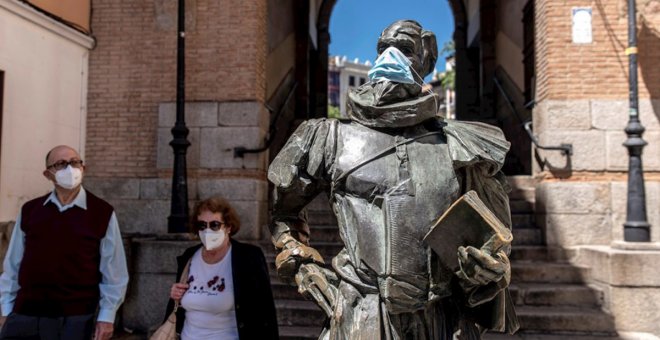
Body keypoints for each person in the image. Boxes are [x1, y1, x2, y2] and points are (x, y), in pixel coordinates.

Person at [268, 20, 519, 339]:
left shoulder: (462, 146)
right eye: (383, 48)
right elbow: (283, 214)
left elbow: (496, 238)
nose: (390, 57)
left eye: (403, 50)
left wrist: (492, 269)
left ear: (425, 62)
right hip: (363, 312)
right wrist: (302, 264)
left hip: (441, 319)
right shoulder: (329, 137)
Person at [0, 145, 129, 340]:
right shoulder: (30, 210)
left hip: (76, 318)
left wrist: (106, 317)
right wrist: (6, 309)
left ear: (83, 168)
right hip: (25, 314)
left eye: (75, 162)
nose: (71, 169)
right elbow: (13, 264)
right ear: (48, 174)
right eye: (61, 164)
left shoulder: (102, 212)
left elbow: (114, 271)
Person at [165, 197, 278, 340]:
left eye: (214, 225)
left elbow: (265, 311)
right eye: (202, 225)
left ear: (228, 227)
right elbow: (178, 306)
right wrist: (176, 295)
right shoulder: (189, 256)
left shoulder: (248, 258)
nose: (207, 231)